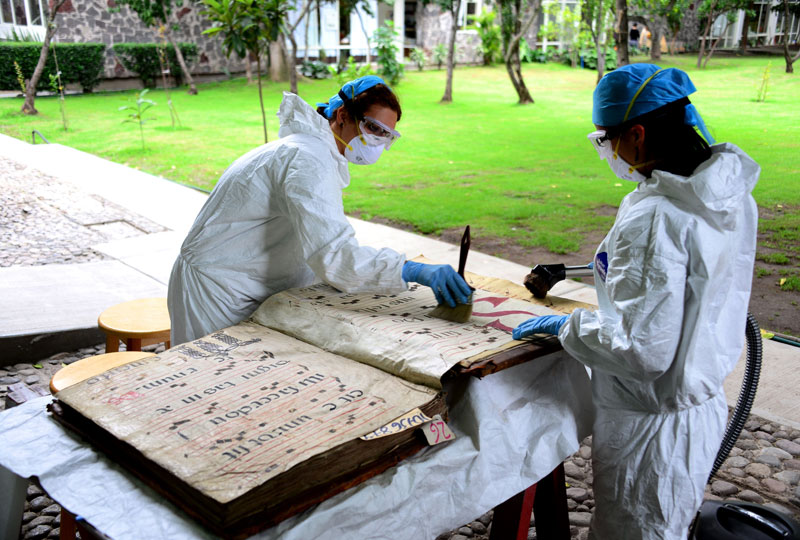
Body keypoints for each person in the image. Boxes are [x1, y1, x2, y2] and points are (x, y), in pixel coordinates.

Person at [513, 64, 759, 539]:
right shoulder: (720, 192)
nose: (607, 150)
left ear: (638, 134)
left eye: (607, 138)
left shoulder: (658, 217)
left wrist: (567, 328)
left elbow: (642, 349)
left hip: (650, 429)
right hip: (692, 408)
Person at [168, 75, 472, 345]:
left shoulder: (311, 152)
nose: (376, 141)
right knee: (220, 391)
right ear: (341, 115)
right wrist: (410, 269)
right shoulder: (308, 160)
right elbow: (333, 255)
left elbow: (316, 242)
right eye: (372, 128)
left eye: (386, 136)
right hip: (216, 290)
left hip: (241, 280)